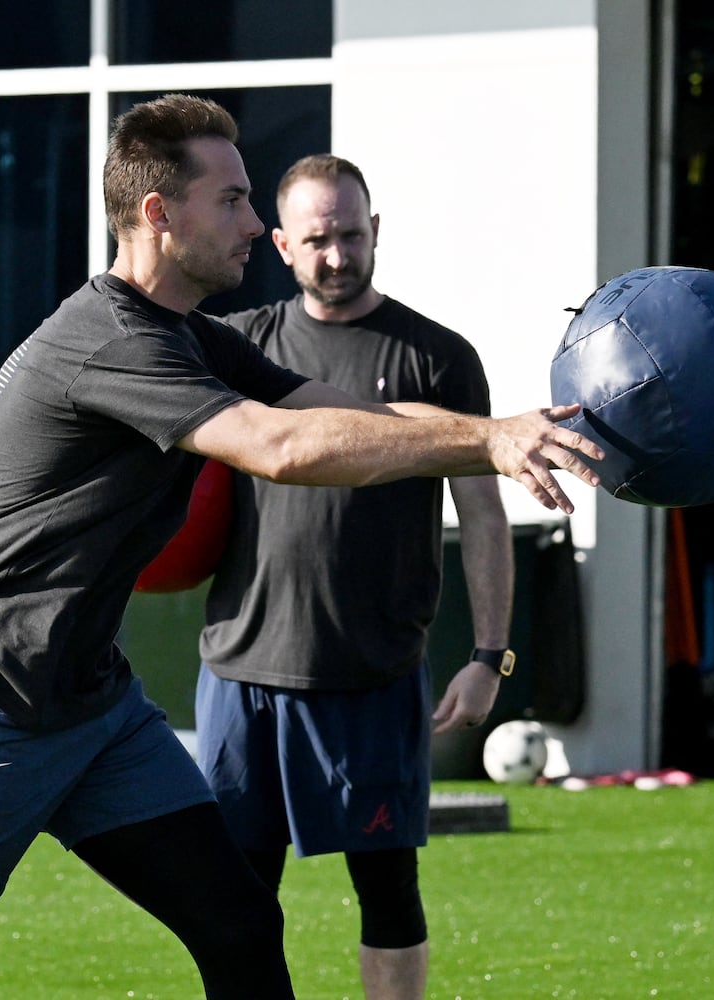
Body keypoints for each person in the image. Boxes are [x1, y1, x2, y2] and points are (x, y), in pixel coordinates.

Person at [0, 93, 601, 1000]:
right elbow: (280, 449)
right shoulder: (107, 340)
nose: (257, 224)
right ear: (158, 215)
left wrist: (509, 428)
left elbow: (344, 415)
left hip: (91, 709)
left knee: (240, 920)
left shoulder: (192, 338)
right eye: (234, 201)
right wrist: (484, 441)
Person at [196, 153, 513, 1000]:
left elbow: (483, 515)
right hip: (241, 671)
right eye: (316, 239)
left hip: (370, 671)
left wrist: (490, 655)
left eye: (349, 234)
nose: (336, 255)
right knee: (235, 901)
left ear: (375, 231)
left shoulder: (438, 356)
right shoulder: (240, 347)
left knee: (387, 893)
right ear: (280, 244)